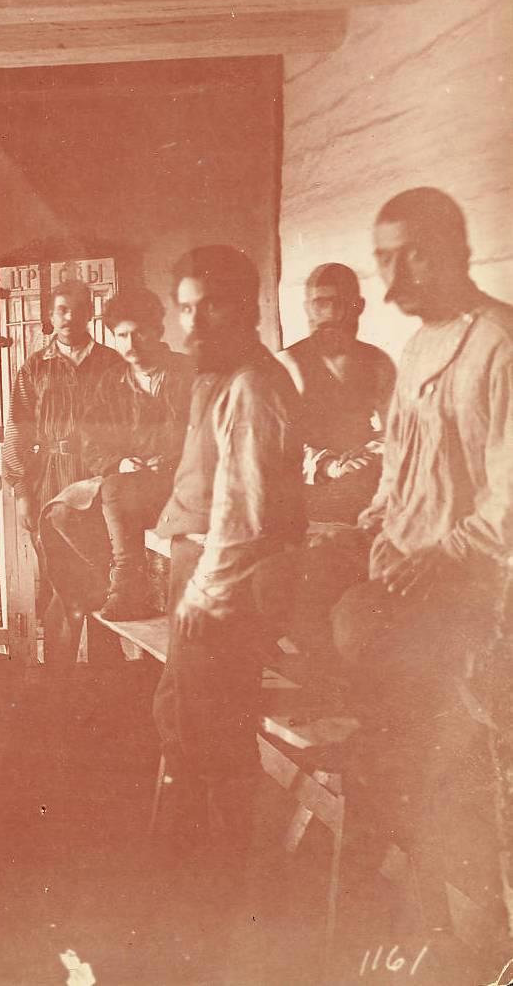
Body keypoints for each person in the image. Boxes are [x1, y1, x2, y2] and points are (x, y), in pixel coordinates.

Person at [330, 189, 512, 850]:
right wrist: (373, 521)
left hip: (472, 573)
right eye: (384, 258)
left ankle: (403, 793)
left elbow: (507, 501)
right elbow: (399, 462)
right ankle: (376, 749)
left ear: (456, 251)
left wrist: (442, 554)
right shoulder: (412, 349)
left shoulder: (498, 342)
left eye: (414, 256)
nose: (395, 273)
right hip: (403, 553)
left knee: (358, 623)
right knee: (278, 581)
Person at [150, 245, 304, 963]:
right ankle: (194, 892)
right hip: (200, 571)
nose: (192, 321)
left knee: (212, 738)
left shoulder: (252, 385)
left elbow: (245, 511)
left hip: (226, 585)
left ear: (244, 307)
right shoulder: (213, 380)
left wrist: (204, 592)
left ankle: (219, 910)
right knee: (183, 719)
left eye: (208, 305)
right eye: (184, 306)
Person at [40, 288, 195, 652]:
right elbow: (92, 441)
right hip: (131, 484)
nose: (131, 344)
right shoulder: (112, 381)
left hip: (184, 481)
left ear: (158, 331)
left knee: (114, 490)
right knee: (62, 513)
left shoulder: (188, 373)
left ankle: (128, 582)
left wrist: (169, 459)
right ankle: (120, 577)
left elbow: (209, 435)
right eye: (122, 335)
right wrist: (121, 462)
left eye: (140, 333)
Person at [1, 279, 128, 665]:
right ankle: (59, 675)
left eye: (77, 309)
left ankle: (107, 670)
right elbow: (17, 429)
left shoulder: (112, 363)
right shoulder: (35, 367)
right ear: (50, 316)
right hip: (51, 480)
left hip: (101, 479)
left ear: (90, 313)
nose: (69, 317)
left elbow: (128, 423)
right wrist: (22, 492)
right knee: (60, 578)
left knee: (102, 572)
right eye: (61, 310)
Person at [277, 263, 396, 525]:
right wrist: (329, 466)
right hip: (307, 493)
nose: (330, 313)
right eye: (320, 303)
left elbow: (398, 433)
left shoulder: (378, 362)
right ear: (308, 308)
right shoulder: (286, 365)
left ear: (358, 306)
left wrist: (369, 453)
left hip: (367, 485)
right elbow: (273, 446)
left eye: (340, 303)